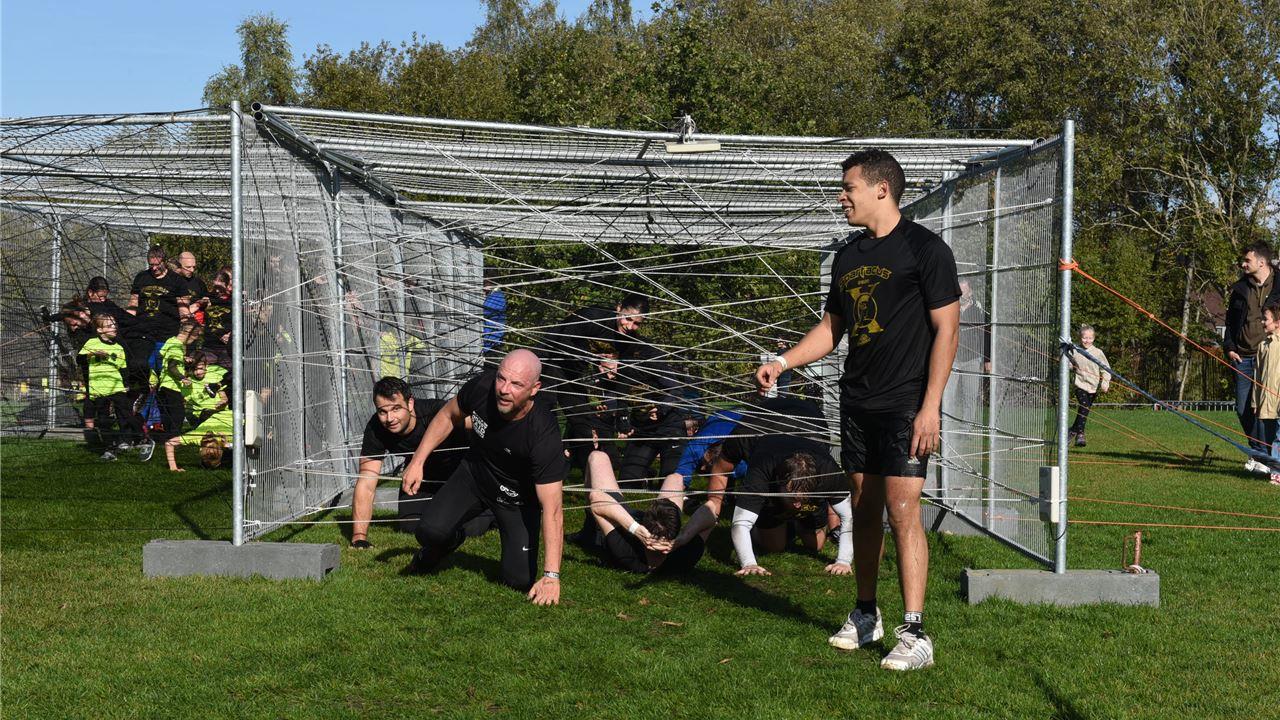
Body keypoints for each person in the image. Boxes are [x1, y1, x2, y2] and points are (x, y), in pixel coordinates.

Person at [756, 149, 960, 671]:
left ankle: (915, 633)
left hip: (907, 403)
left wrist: (931, 406)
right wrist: (782, 361)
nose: (841, 196)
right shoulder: (847, 257)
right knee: (865, 508)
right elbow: (831, 329)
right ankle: (867, 613)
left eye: (848, 187)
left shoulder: (926, 249)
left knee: (903, 508)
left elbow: (947, 329)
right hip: (858, 401)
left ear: (881, 189)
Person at [401, 350, 567, 605]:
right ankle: (450, 541)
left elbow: (553, 509)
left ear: (534, 389)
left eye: (516, 384)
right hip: (474, 475)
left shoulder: (543, 433)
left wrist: (551, 576)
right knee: (429, 532)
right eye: (501, 378)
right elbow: (447, 415)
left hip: (515, 499)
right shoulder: (481, 387)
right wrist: (418, 461)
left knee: (519, 580)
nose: (504, 389)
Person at [351, 377, 481, 549]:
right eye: (382, 411)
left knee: (471, 527)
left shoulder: (436, 412)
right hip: (421, 479)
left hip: (460, 474)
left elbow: (480, 424)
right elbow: (366, 482)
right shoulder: (376, 429)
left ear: (410, 403)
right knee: (410, 525)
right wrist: (359, 537)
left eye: (396, 408)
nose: (390, 418)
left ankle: (491, 510)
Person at [720, 426, 853, 577]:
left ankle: (796, 523)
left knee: (815, 545)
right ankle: (766, 523)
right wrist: (749, 563)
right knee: (773, 546)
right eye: (793, 497)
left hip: (811, 500)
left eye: (803, 496)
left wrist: (843, 561)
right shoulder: (762, 471)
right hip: (774, 496)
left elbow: (849, 516)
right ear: (779, 482)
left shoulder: (828, 473)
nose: (797, 504)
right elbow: (740, 523)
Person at [584, 450, 711, 574]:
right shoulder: (682, 558)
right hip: (657, 527)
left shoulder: (627, 553)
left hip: (617, 516)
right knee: (675, 478)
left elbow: (596, 497)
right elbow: (711, 510)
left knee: (597, 456)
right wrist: (682, 539)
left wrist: (635, 529)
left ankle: (589, 529)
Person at [1223, 242, 1280, 474]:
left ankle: (1269, 458)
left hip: (1272, 355)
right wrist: (1229, 347)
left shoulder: (1279, 284)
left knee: (1269, 410)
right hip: (1244, 357)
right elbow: (1229, 322)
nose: (1243, 264)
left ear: (1261, 262)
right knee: (1243, 407)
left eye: (1247, 260)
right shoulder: (1240, 288)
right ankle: (1260, 454)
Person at [78, 314, 151, 461]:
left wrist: (126, 385)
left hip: (117, 388)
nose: (114, 327)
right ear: (100, 330)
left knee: (126, 415)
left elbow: (124, 369)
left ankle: (142, 439)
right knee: (104, 421)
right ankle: (109, 450)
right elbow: (79, 359)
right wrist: (92, 353)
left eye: (115, 325)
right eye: (110, 325)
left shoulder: (119, 347)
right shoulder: (92, 343)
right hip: (98, 390)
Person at [128, 245, 192, 386]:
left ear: (164, 261)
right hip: (143, 335)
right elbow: (132, 305)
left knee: (165, 374)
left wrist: (182, 339)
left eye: (158, 265)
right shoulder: (141, 277)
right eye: (151, 265)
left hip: (167, 336)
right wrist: (128, 328)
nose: (154, 268)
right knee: (146, 374)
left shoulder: (177, 281)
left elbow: (184, 312)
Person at [154, 318, 203, 454]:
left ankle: (166, 439)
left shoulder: (171, 341)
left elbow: (165, 356)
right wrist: (183, 378)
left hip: (164, 385)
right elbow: (172, 367)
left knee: (169, 414)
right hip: (172, 386)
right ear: (188, 333)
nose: (196, 338)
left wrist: (183, 359)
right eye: (196, 335)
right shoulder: (177, 346)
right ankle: (173, 441)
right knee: (178, 415)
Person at [1066, 325, 1111, 448]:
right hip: (1080, 384)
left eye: (1090, 338)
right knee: (1084, 406)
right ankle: (1080, 434)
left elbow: (1105, 369)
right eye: (1084, 338)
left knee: (1084, 410)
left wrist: (1105, 382)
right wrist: (1069, 364)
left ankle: (1072, 431)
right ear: (1080, 338)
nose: (1087, 340)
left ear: (1094, 338)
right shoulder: (1075, 350)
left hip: (1093, 387)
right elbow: (1069, 363)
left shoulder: (1098, 353)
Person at [1251, 299, 1280, 484]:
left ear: (1277, 322)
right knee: (1270, 438)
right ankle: (1275, 467)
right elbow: (1257, 376)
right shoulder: (1263, 345)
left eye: (1266, 319)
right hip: (1267, 400)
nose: (1262, 322)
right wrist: (1255, 401)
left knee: (1279, 437)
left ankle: (1277, 473)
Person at [173, 252, 208, 323]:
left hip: (197, 322)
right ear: (179, 266)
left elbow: (207, 300)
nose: (192, 270)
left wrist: (204, 302)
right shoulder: (171, 281)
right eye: (188, 267)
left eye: (194, 267)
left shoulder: (199, 283)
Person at [482, 275, 507, 356]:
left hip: (491, 338)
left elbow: (485, 310)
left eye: (484, 283)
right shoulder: (495, 294)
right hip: (493, 337)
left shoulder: (496, 296)